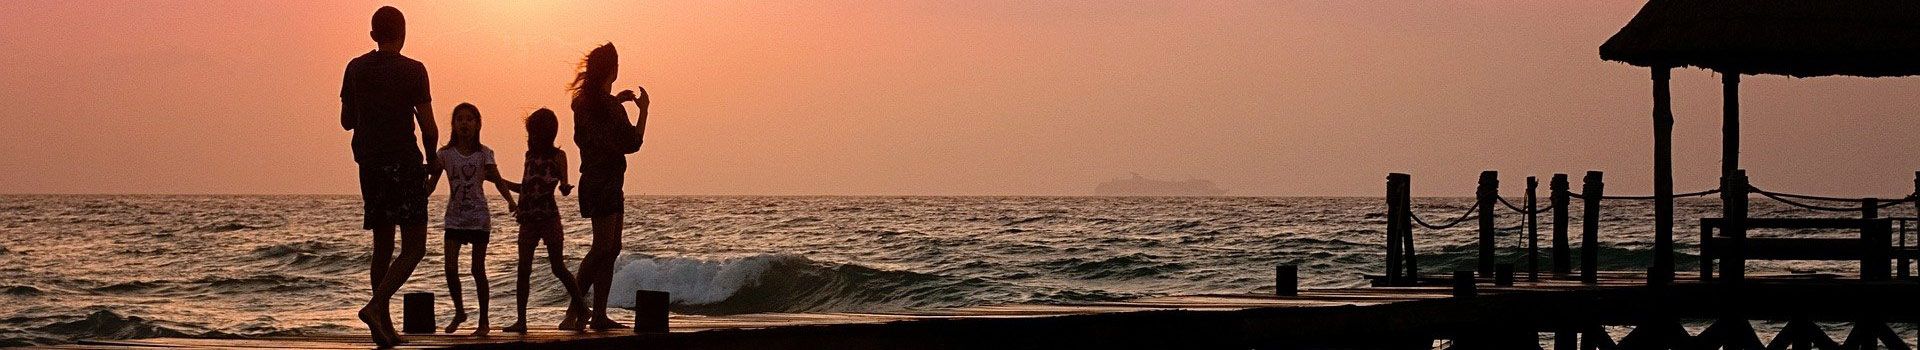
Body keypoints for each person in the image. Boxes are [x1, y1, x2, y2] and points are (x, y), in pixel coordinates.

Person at [339, 6, 435, 347]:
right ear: (404, 32)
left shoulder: (355, 68)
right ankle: (376, 306)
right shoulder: (414, 71)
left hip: (370, 165)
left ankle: (385, 327)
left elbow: (346, 121)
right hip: (404, 164)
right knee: (415, 247)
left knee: (382, 247)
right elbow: (428, 127)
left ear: (372, 35)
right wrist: (433, 159)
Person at [566, 43, 651, 331]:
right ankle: (574, 311)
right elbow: (633, 143)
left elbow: (597, 129)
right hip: (606, 182)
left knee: (611, 248)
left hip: (593, 180)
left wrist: (615, 99)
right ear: (612, 70)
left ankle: (598, 314)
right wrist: (644, 111)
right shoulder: (609, 108)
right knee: (603, 247)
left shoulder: (585, 103)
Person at [424, 103, 516, 335]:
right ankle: (460, 311)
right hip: (454, 217)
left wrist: (511, 201)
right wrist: (418, 197)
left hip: (478, 217)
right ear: (453, 125)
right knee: (450, 267)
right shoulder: (444, 154)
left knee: (478, 269)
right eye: (460, 119)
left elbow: (497, 179)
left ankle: (483, 321)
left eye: (469, 119)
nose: (464, 123)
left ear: (477, 124)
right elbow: (431, 184)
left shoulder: (484, 153)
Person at [502, 108, 590, 333]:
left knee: (558, 267)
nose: (531, 138)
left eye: (534, 133)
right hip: (528, 219)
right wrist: (500, 182)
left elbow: (563, 186)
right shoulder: (529, 156)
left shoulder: (558, 156)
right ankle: (521, 321)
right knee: (523, 269)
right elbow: (526, 188)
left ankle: (582, 308)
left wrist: (565, 187)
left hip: (549, 217)